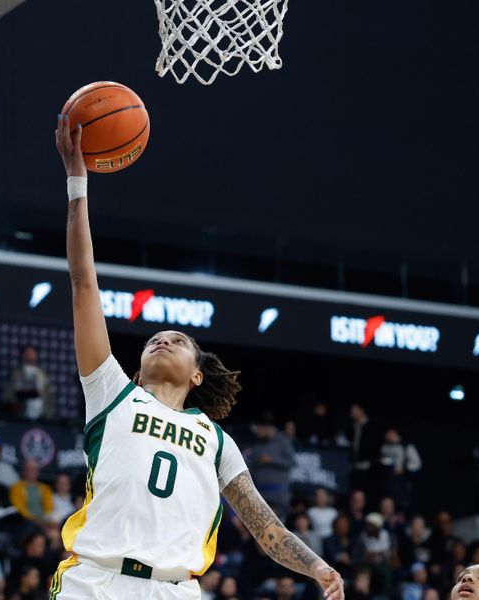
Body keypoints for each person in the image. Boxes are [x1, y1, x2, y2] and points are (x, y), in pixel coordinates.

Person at [51, 115, 345, 599]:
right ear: (136, 369)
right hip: (94, 581)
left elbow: (266, 527)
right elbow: (84, 281)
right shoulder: (111, 393)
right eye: (154, 339)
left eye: (178, 340)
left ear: (197, 375)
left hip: (176, 589)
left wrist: (317, 567)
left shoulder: (216, 441)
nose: (163, 341)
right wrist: (76, 181)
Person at [247, 414, 296, 520]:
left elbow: (291, 462)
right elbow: (252, 466)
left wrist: (271, 460)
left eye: (259, 429)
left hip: (278, 492)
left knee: (279, 524)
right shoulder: (257, 444)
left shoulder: (282, 440)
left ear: (268, 428)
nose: (257, 432)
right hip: (261, 492)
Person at [3, 345, 55, 420]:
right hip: (21, 410)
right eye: (27, 353)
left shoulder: (41, 373)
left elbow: (47, 394)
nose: (30, 356)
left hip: (40, 413)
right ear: (23, 356)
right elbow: (10, 392)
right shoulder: (16, 373)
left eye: (32, 353)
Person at [8, 460, 54, 526]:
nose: (32, 471)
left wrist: (45, 519)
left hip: (44, 521)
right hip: (24, 522)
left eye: (34, 469)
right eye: (29, 469)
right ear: (24, 470)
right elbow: (18, 508)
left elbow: (49, 507)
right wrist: (33, 519)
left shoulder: (45, 488)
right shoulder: (16, 488)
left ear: (38, 471)